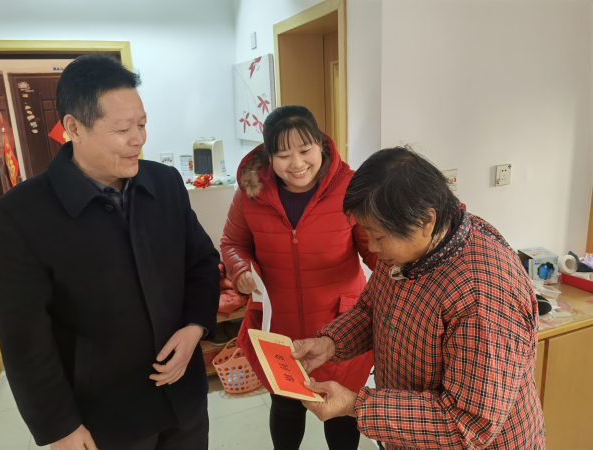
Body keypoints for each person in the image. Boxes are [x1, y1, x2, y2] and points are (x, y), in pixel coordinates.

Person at [0, 54, 220, 449]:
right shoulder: (18, 215)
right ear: (73, 128)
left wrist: (195, 326)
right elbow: (24, 338)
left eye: (142, 124)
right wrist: (60, 426)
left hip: (183, 397)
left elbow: (201, 261)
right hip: (104, 416)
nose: (138, 139)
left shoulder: (165, 183)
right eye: (122, 129)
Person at [292, 147, 546, 450]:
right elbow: (372, 309)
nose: (371, 247)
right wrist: (330, 343)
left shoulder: (483, 294)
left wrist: (356, 406)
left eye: (379, 236)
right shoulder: (409, 247)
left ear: (426, 220)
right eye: (367, 232)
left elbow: (467, 425)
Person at [220, 105, 377, 450]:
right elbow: (233, 243)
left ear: (320, 144)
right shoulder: (251, 193)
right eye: (283, 155)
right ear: (269, 156)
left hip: (342, 324)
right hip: (280, 324)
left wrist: (403, 275)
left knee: (340, 412)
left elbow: (373, 248)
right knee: (286, 404)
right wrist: (240, 269)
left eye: (305, 150)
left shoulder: (351, 188)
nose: (297, 163)